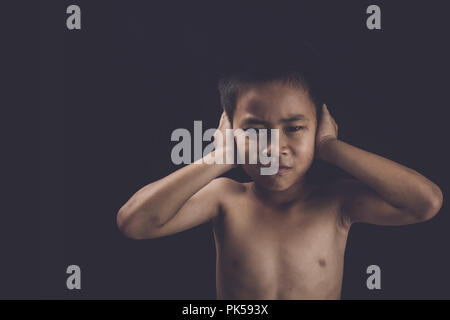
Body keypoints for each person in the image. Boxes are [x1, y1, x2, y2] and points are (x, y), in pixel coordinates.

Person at [116, 54, 443, 299]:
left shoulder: (336, 203)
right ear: (229, 130)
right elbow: (135, 222)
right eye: (255, 131)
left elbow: (424, 203)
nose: (274, 148)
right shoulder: (225, 199)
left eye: (295, 128)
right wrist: (220, 157)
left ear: (318, 128)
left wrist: (331, 147)